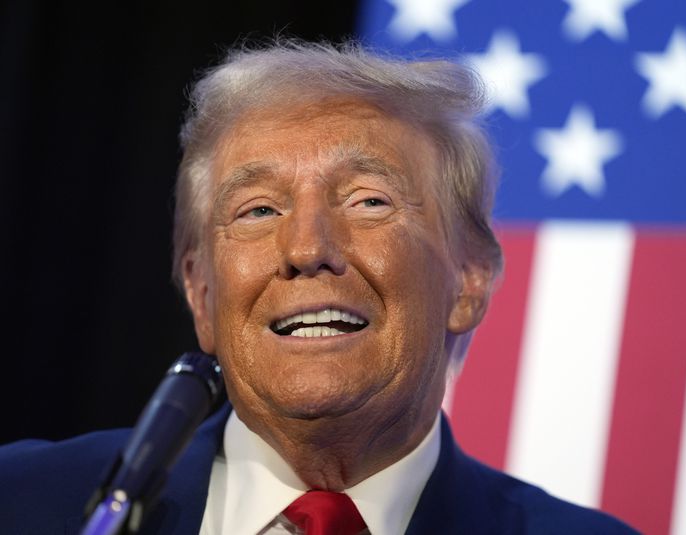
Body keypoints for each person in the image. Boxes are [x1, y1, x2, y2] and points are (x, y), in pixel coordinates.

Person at [0, 40, 638, 534]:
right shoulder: (22, 502)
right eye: (257, 210)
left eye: (367, 201)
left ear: (469, 278)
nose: (306, 249)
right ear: (200, 294)